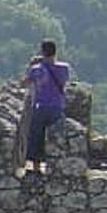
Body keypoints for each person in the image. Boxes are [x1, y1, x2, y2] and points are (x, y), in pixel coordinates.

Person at [24, 40, 72, 171]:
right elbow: (65, 81)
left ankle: (36, 167)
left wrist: (33, 65)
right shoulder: (64, 68)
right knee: (57, 137)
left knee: (36, 136)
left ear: (43, 51)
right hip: (57, 106)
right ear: (55, 51)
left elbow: (24, 83)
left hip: (40, 107)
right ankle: (56, 168)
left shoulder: (36, 69)